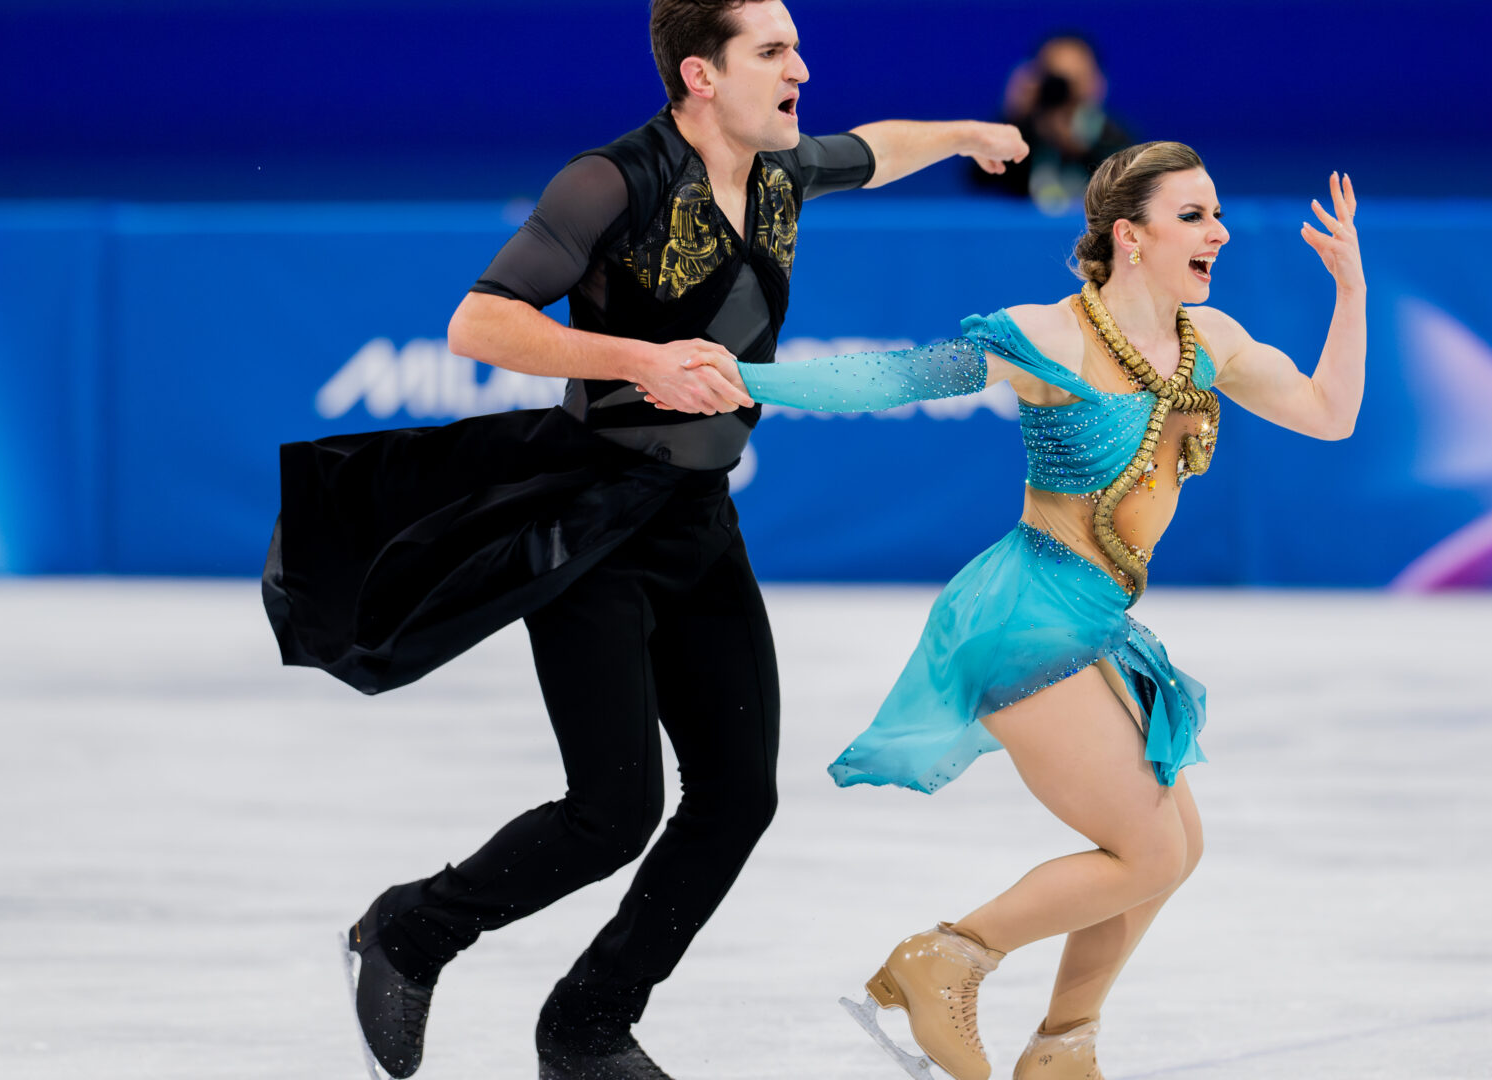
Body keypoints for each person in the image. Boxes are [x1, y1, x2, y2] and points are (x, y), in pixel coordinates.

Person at [261, 1, 1027, 1078]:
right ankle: (410, 930)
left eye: (796, 47)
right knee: (613, 811)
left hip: (701, 520)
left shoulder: (780, 167)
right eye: (773, 51)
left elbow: (881, 147)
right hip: (594, 522)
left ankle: (587, 1024)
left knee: (738, 798)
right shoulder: (611, 180)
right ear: (701, 75)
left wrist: (962, 134)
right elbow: (479, 323)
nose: (801, 66)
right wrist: (638, 359)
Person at [673, 143, 1365, 1078]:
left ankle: (1062, 1046)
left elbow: (1330, 412)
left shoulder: (1214, 343)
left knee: (1175, 846)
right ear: (1131, 236)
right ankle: (946, 956)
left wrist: (1350, 293)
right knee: (1151, 849)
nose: (1220, 231)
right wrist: (749, 379)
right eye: (1195, 215)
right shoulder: (1053, 335)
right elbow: (895, 378)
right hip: (1024, 613)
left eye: (1217, 214)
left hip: (1099, 622)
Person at [972, 34, 1133, 214]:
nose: (1065, 91)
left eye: (1076, 78)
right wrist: (1013, 117)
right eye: (1056, 79)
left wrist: (1080, 146)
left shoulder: (1115, 138)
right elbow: (979, 181)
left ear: (1098, 82)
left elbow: (1129, 189)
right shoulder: (1023, 133)